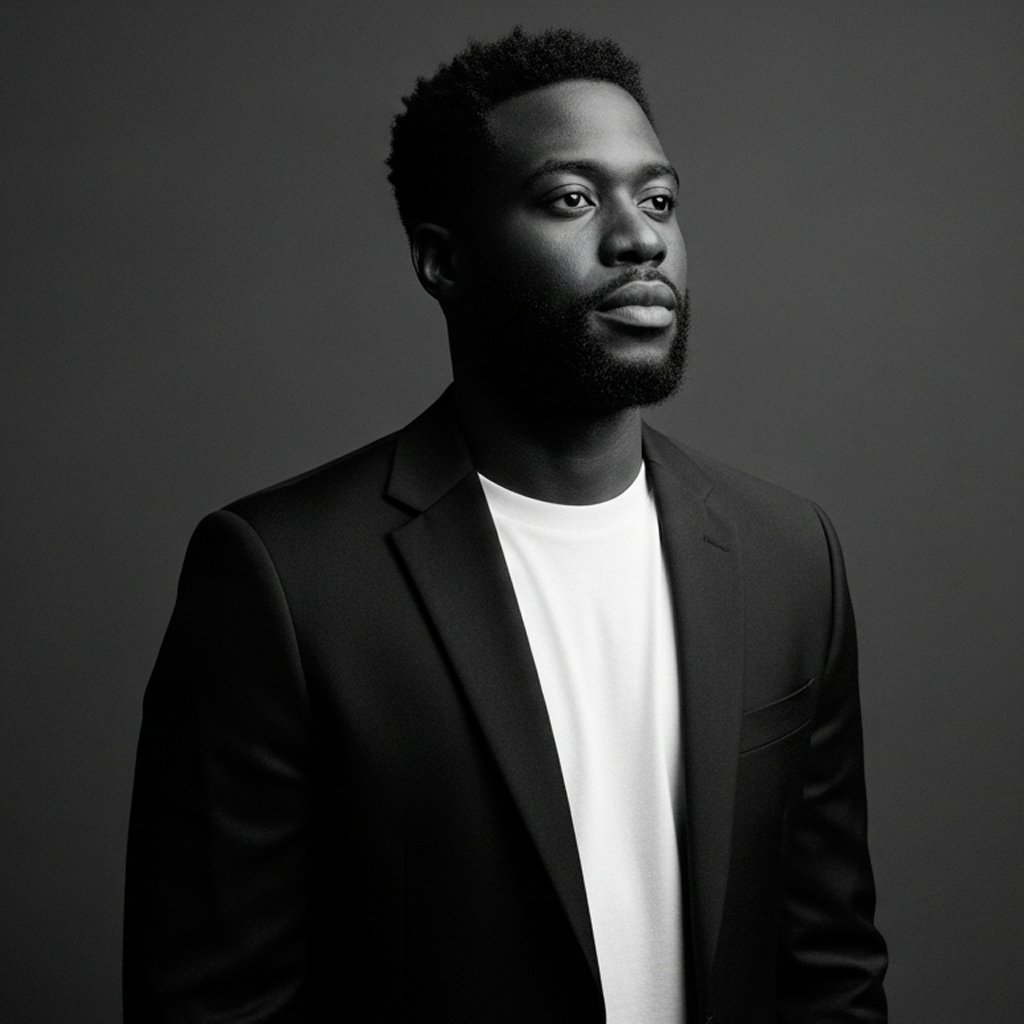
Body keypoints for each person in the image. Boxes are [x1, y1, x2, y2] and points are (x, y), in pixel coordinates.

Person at [124, 26, 888, 1023]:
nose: (640, 239)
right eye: (572, 199)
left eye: (658, 200)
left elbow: (830, 972)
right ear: (443, 261)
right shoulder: (284, 580)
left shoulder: (788, 555)